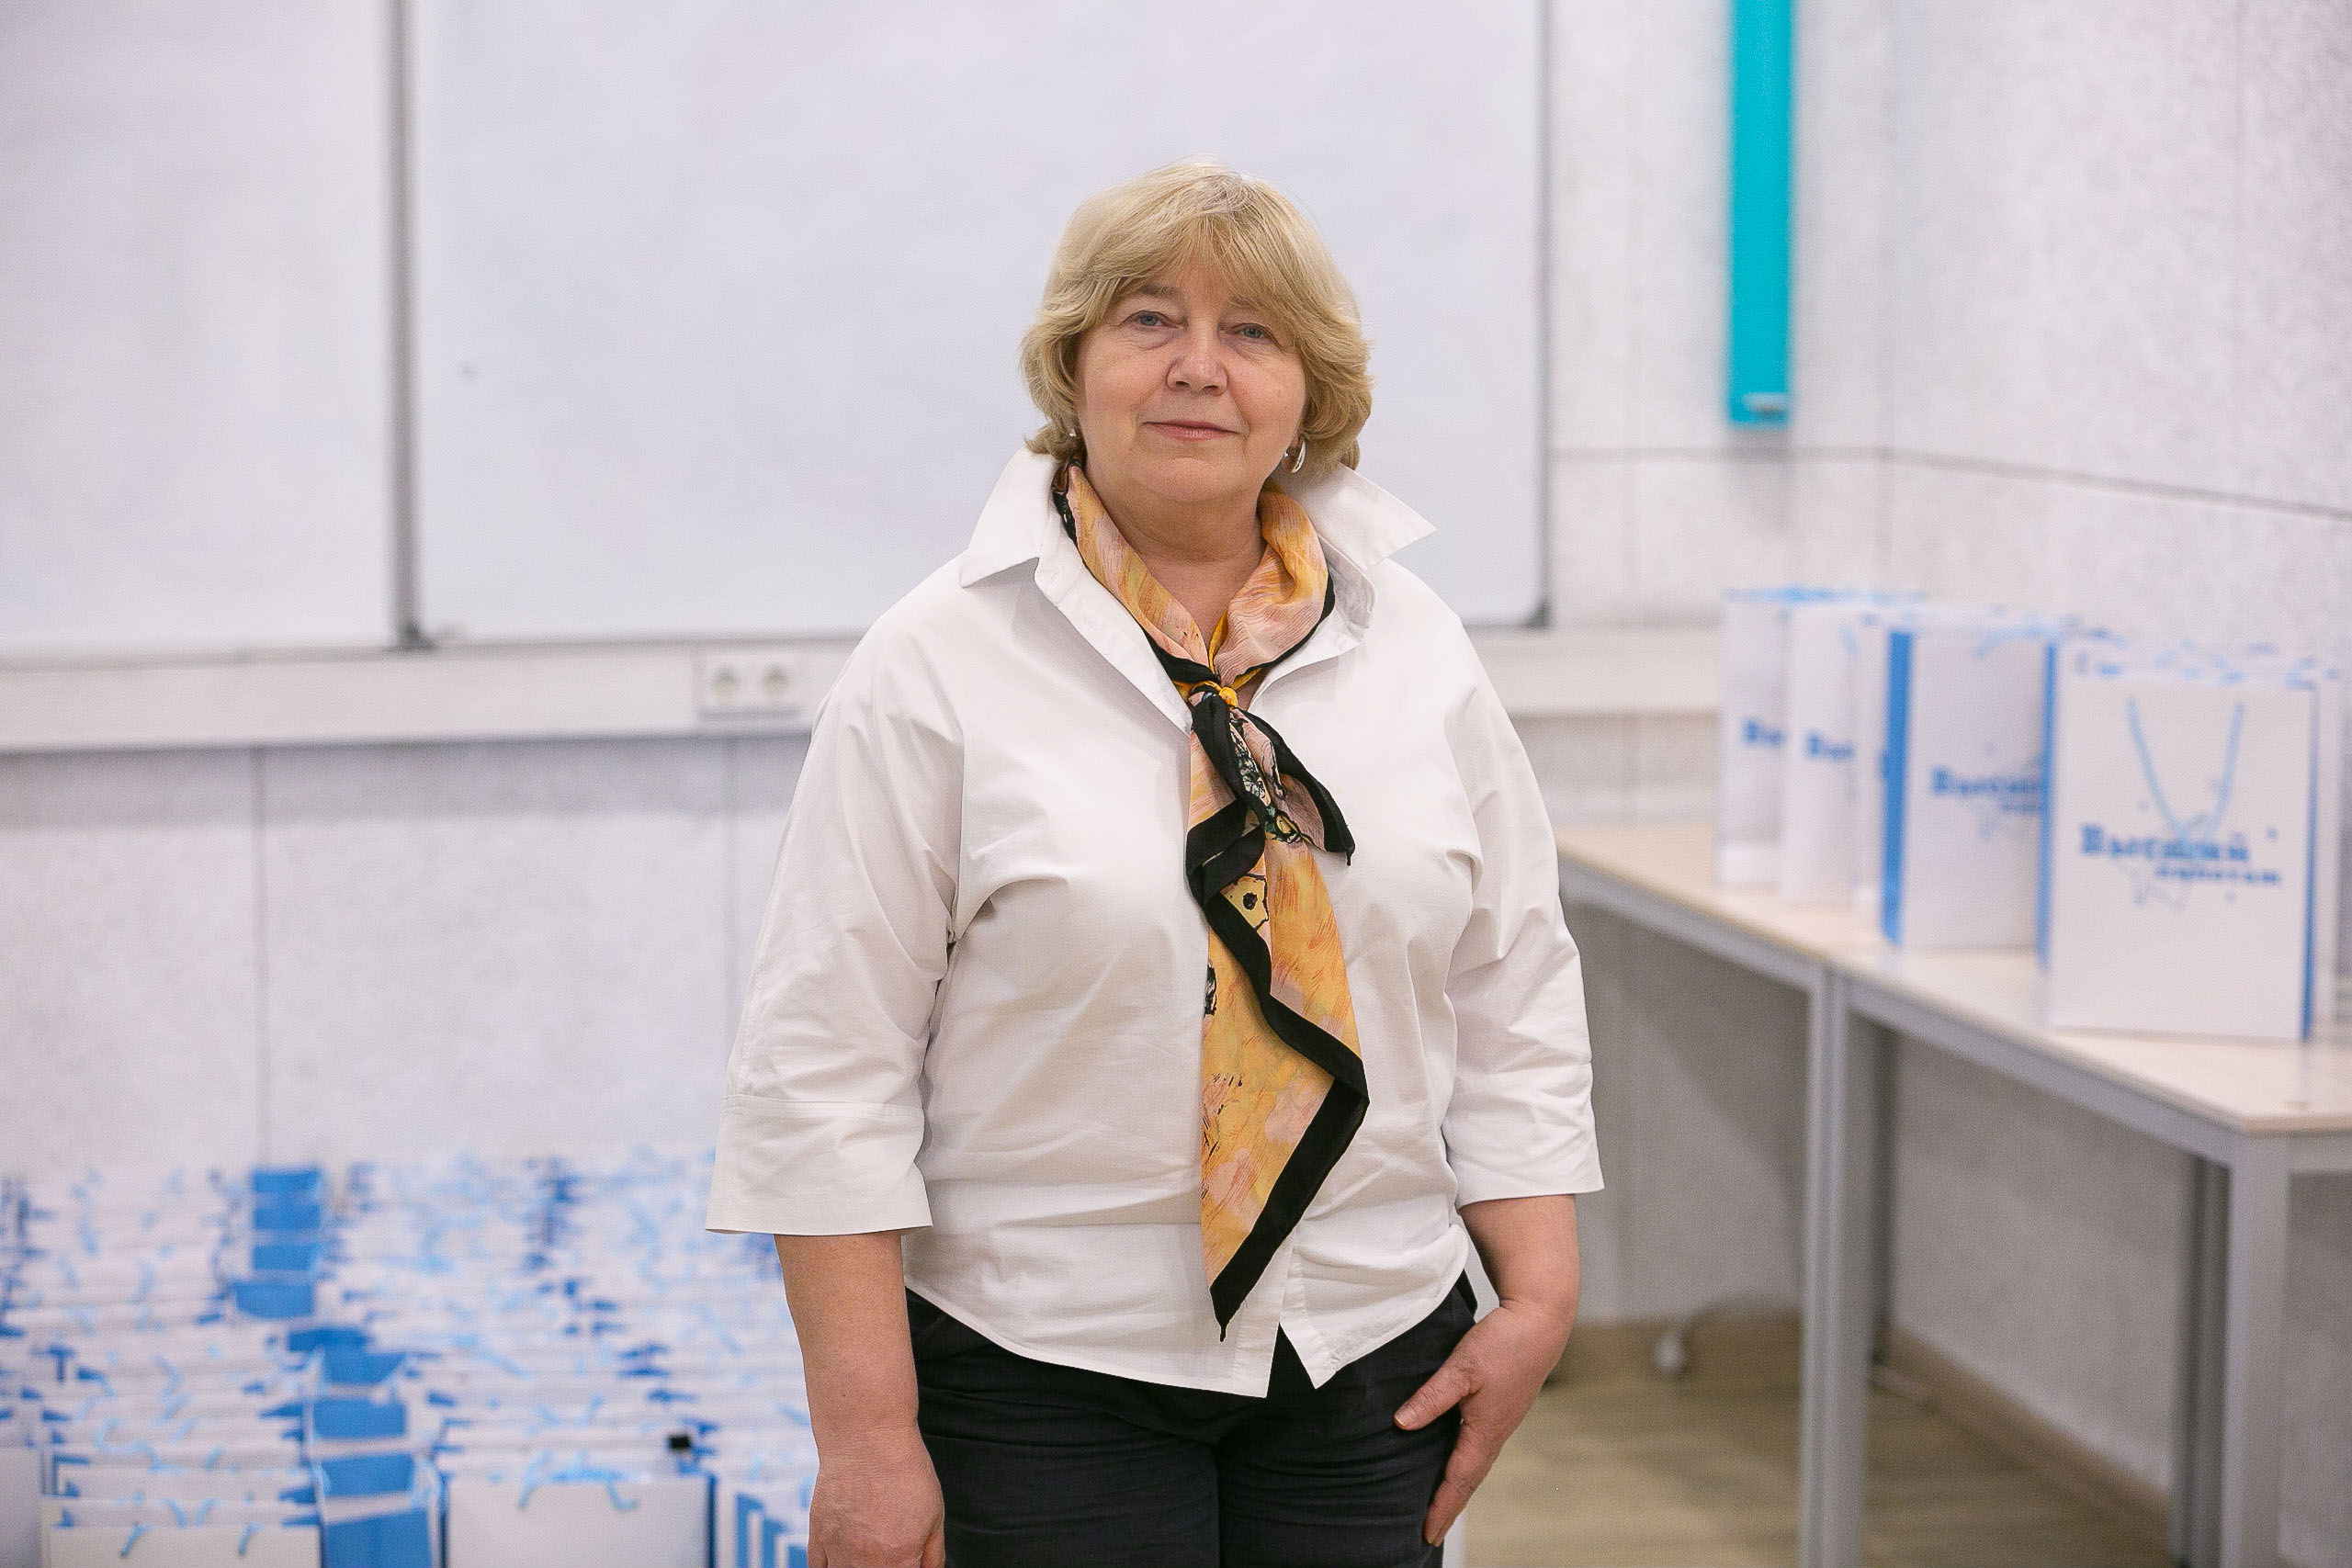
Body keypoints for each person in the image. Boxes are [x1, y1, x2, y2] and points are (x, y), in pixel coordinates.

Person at [706, 158, 1601, 1568]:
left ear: (1311, 392)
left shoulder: (1417, 644)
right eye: (1147, 320)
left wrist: (1538, 1296)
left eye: (1252, 332)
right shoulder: (936, 660)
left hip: (1372, 1341)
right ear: (1072, 365)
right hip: (1042, 1361)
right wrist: (866, 1443)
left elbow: (1510, 978)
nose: (1198, 367)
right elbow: (824, 1065)